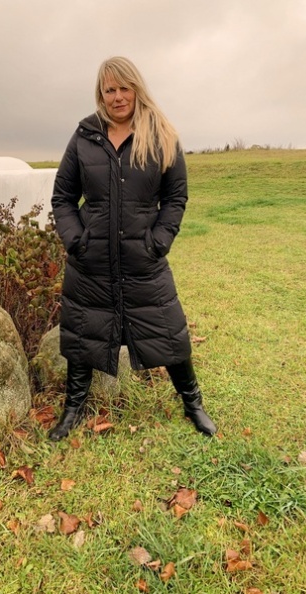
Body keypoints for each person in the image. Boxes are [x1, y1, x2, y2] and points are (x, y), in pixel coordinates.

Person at [49, 56, 216, 441]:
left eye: (124, 87)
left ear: (136, 89)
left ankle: (193, 403)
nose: (118, 96)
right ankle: (73, 409)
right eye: (110, 89)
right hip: (91, 261)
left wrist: (159, 241)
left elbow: (176, 196)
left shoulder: (161, 136)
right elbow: (63, 197)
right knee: (83, 333)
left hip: (144, 259)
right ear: (101, 94)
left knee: (169, 332)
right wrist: (76, 239)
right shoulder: (85, 136)